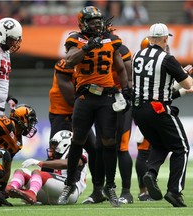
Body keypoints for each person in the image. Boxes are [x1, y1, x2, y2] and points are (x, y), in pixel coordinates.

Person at [57, 6, 130, 207]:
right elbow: (70, 61)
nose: (98, 23)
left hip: (106, 97)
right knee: (78, 140)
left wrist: (126, 90)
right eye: (93, 20)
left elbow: (120, 67)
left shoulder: (111, 40)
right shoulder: (75, 39)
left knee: (109, 142)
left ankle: (110, 186)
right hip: (85, 98)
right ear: (83, 23)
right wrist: (88, 47)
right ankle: (69, 183)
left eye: (99, 20)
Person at [132, 23, 193, 207]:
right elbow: (188, 84)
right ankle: (174, 192)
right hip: (158, 109)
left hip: (138, 110)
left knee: (160, 143)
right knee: (181, 148)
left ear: (150, 39)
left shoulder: (137, 56)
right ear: (165, 39)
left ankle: (151, 172)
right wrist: (184, 73)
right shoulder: (167, 58)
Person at [82, 42, 133, 205]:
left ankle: (126, 192)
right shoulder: (92, 48)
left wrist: (125, 95)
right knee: (98, 146)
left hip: (119, 100)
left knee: (121, 147)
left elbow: (128, 77)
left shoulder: (120, 50)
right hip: (102, 101)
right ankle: (98, 191)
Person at [48, 59, 104, 203]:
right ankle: (43, 188)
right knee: (55, 153)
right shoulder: (65, 65)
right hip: (62, 114)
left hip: (79, 113)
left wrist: (106, 93)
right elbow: (71, 98)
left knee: (94, 150)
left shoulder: (87, 64)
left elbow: (98, 90)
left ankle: (98, 190)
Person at [6, 130, 88, 205]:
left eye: (55, 145)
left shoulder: (79, 151)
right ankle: (11, 188)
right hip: (54, 194)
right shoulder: (59, 156)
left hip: (71, 192)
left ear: (65, 143)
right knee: (21, 171)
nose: (53, 148)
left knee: (37, 173)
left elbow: (69, 163)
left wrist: (41, 163)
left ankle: (31, 193)